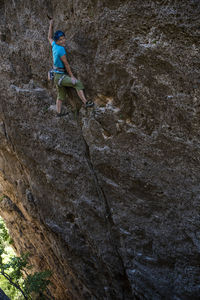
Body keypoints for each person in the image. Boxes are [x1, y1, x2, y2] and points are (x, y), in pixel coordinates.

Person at [48, 19, 94, 117]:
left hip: (56, 76)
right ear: (57, 41)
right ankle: (86, 103)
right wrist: (72, 76)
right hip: (60, 76)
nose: (63, 40)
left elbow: (49, 37)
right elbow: (66, 64)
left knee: (61, 95)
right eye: (61, 39)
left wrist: (51, 25)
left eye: (64, 38)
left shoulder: (54, 45)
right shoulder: (61, 50)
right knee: (78, 83)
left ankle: (58, 113)